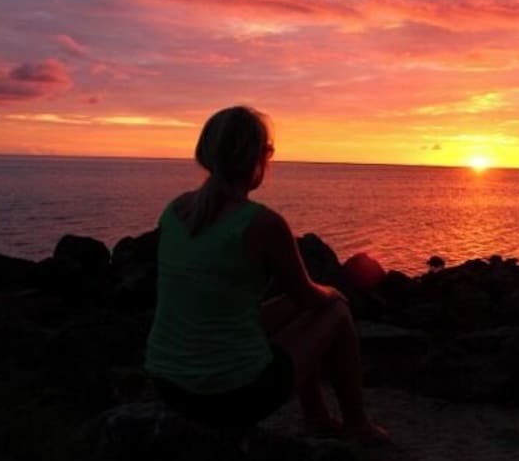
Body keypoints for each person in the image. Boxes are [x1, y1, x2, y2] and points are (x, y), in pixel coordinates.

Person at [145, 106, 387, 441]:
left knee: (295, 307)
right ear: (259, 158)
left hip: (167, 382)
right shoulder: (261, 223)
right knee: (336, 311)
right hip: (229, 396)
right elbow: (309, 296)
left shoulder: (173, 211)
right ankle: (357, 422)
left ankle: (316, 416)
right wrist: (333, 291)